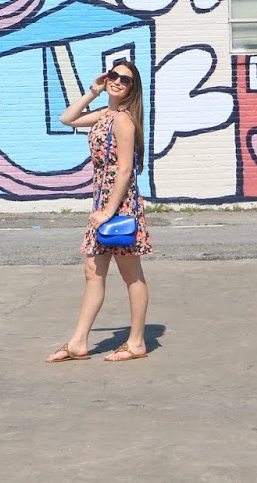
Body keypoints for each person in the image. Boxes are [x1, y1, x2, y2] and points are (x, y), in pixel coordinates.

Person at [46, 61, 152, 363]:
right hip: (103, 202)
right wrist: (93, 90)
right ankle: (78, 342)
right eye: (114, 75)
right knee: (93, 272)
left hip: (119, 204)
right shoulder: (106, 114)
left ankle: (136, 343)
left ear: (133, 88)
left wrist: (107, 211)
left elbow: (125, 169)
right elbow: (67, 118)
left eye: (126, 80)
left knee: (131, 274)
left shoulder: (123, 120)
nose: (118, 81)